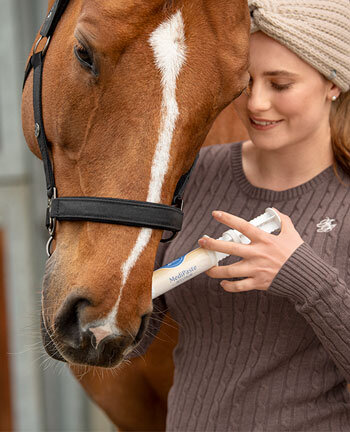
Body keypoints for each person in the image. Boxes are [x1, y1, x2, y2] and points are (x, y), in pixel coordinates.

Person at [132, 0, 350, 430]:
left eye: (280, 84)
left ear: (334, 84)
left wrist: (299, 273)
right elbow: (133, 339)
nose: (257, 103)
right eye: (246, 81)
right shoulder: (193, 176)